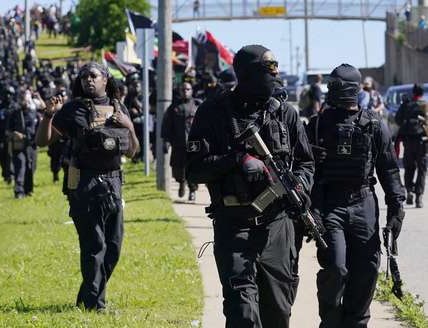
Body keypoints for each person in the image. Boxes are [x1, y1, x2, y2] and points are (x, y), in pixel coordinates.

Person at [185, 45, 314, 328]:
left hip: (279, 226)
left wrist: (301, 187)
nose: (277, 73)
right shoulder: (213, 112)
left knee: (278, 313)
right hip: (234, 225)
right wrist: (237, 159)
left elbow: (306, 163)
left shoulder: (285, 114)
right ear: (247, 73)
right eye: (270, 68)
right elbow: (193, 170)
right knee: (242, 312)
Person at [306, 64, 405, 328]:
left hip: (363, 202)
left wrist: (397, 207)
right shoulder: (316, 126)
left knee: (367, 270)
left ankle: (356, 323)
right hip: (330, 204)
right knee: (336, 268)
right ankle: (330, 322)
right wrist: (311, 207)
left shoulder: (373, 124)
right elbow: (301, 171)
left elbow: (389, 170)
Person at [36, 62, 139, 311]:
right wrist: (48, 115)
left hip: (114, 182)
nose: (87, 80)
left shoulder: (119, 108)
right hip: (85, 183)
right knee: (95, 246)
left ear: (106, 79)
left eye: (93, 76)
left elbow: (134, 151)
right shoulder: (74, 110)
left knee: (113, 248)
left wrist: (130, 126)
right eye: (83, 77)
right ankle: (95, 305)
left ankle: (87, 298)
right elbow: (42, 141)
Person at [162, 81, 201, 201]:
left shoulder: (197, 105)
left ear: (192, 91)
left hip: (193, 143)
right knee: (177, 168)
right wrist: (166, 140)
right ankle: (181, 182)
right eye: (183, 90)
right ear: (179, 91)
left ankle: (192, 189)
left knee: (193, 167)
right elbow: (167, 124)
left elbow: (204, 124)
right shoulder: (174, 107)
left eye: (188, 89)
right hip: (178, 142)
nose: (185, 92)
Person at [395, 83, 427, 208]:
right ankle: (419, 197)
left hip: (408, 141)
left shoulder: (406, 104)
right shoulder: (425, 105)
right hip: (422, 141)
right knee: (422, 170)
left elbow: (398, 120)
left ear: (413, 93)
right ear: (422, 93)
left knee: (409, 167)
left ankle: (409, 192)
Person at [6, 96, 41, 199]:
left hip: (31, 145)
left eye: (26, 99)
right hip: (18, 146)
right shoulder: (14, 114)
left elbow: (39, 129)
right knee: (20, 166)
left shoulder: (34, 114)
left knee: (31, 168)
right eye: (22, 100)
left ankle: (28, 190)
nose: (24, 102)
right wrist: (14, 134)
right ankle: (18, 191)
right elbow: (7, 130)